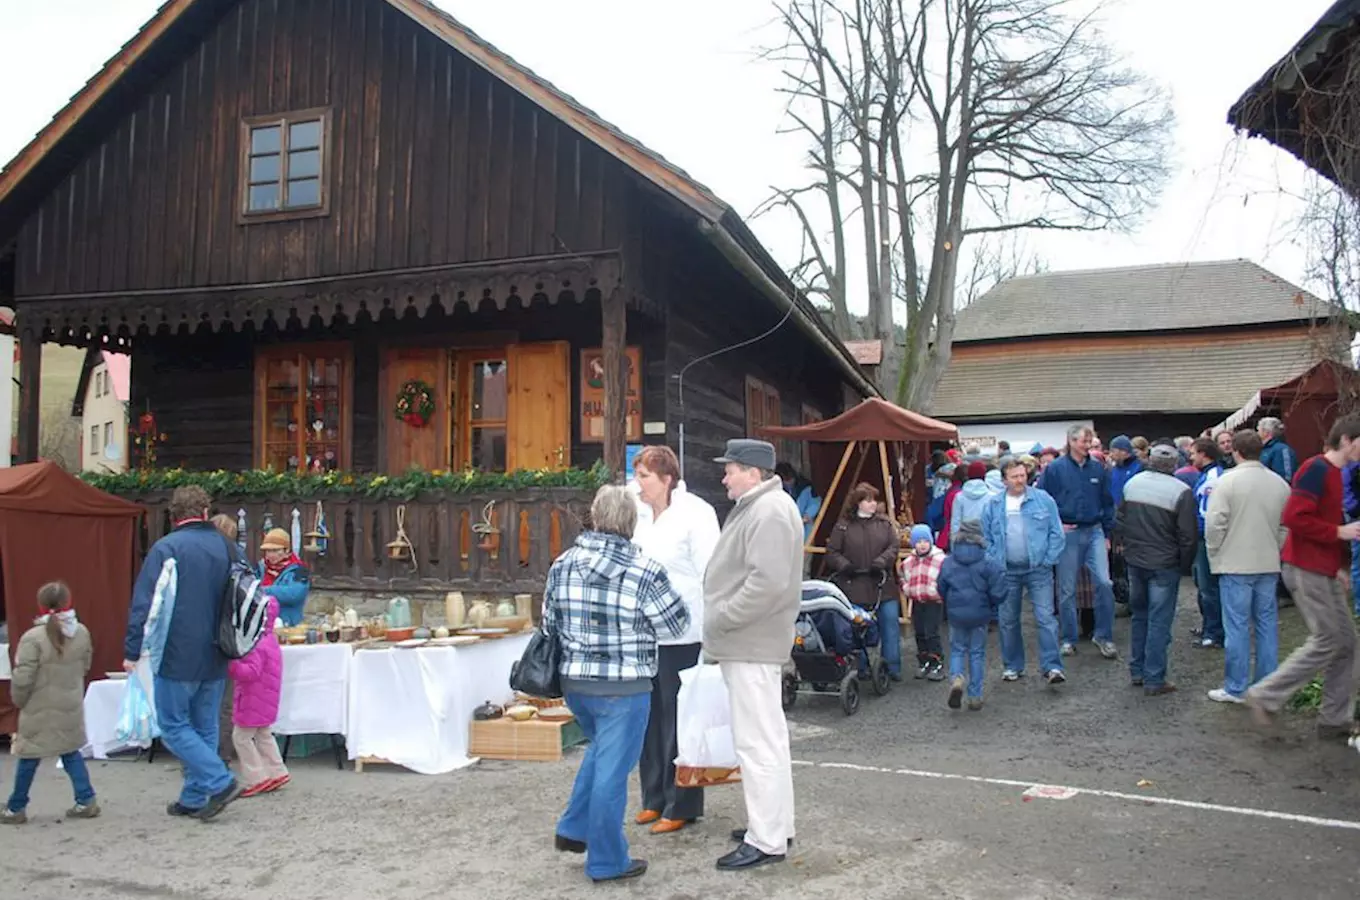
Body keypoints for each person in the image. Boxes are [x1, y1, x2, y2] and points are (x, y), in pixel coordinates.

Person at [543, 485, 689, 884]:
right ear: (632, 523)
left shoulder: (563, 564)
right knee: (612, 771)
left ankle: (574, 827)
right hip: (625, 689)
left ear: (594, 516)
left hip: (575, 684)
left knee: (602, 753)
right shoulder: (645, 570)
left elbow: (548, 624)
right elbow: (678, 624)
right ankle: (607, 861)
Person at [703, 439, 803, 871]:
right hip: (752, 641)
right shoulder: (766, 506)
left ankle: (766, 839)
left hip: (749, 640)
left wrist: (723, 617)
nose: (724, 476)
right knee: (769, 740)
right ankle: (775, 826)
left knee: (756, 742)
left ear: (753, 472)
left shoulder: (768, 510)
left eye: (731, 469)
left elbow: (767, 583)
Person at [123, 485, 242, 820]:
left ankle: (218, 781)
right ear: (205, 513)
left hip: (178, 651)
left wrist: (132, 649)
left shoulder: (167, 548)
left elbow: (145, 604)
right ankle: (193, 796)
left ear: (175, 515)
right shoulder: (229, 548)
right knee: (204, 726)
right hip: (219, 648)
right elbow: (248, 594)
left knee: (174, 725)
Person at [1245, 416, 1360, 740]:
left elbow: (1321, 521)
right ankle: (1265, 695)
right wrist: (1338, 532)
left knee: (1348, 643)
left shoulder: (1336, 474)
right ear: (1349, 439)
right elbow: (1294, 516)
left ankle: (1334, 719)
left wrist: (1336, 566)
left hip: (1320, 567)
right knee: (1328, 639)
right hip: (1304, 567)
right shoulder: (1316, 469)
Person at [630, 446, 720, 835]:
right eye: (636, 475)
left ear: (667, 479)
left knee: (679, 719)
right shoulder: (637, 514)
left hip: (683, 632)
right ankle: (652, 797)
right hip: (643, 633)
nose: (638, 483)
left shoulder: (695, 514)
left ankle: (681, 803)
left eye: (645, 476)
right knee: (648, 718)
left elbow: (711, 572)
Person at [2, 582, 99, 825]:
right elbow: (85, 666)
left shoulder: (32, 638)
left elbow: (23, 677)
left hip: (38, 706)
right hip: (69, 703)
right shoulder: (82, 632)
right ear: (69, 602)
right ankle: (86, 800)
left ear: (41, 605)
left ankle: (16, 807)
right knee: (70, 751)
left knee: (29, 756)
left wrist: (19, 701)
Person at [1204, 430, 1289, 704]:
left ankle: (1236, 687)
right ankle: (1266, 686)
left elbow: (1215, 523)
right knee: (1266, 625)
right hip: (1267, 561)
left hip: (1235, 562)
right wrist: (1274, 547)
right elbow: (1285, 527)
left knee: (1237, 626)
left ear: (1236, 451)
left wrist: (1214, 551)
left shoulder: (1227, 482)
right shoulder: (1279, 484)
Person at [1116, 445, 1198, 696]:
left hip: (1136, 559)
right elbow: (1188, 535)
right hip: (1164, 563)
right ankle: (1154, 678)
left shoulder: (1133, 484)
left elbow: (1120, 520)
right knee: (1159, 621)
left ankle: (1138, 671)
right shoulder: (1181, 492)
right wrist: (1184, 565)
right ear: (1174, 465)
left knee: (1140, 616)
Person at [981, 457, 1067, 685]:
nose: (1020, 480)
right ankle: (1012, 666)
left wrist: (1048, 560)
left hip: (1038, 570)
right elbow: (985, 537)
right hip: (1006, 571)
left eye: (1022, 475)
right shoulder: (993, 505)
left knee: (1045, 618)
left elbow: (1056, 533)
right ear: (1004, 480)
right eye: (1015, 477)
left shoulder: (1043, 500)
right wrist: (994, 561)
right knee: (1008, 620)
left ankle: (1052, 667)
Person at [1038, 424, 1118, 659]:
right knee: (1066, 589)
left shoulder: (1098, 469)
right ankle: (1069, 639)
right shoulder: (1054, 469)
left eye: (1090, 441)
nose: (1088, 445)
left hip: (1094, 530)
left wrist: (1106, 532)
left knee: (1104, 583)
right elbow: (1042, 500)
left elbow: (1107, 502)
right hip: (1069, 533)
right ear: (1072, 442)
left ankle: (1103, 636)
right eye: (1084, 441)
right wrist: (1056, 526)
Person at [825, 482, 903, 679]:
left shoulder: (884, 524)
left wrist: (881, 562)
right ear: (858, 503)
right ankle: (861, 668)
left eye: (874, 500)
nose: (873, 504)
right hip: (853, 585)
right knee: (856, 628)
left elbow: (894, 547)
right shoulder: (843, 526)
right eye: (868, 500)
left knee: (890, 624)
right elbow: (832, 552)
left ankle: (892, 668)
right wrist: (845, 566)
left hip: (881, 584)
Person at [936, 521, 1004, 711]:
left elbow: (941, 586)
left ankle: (957, 678)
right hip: (980, 614)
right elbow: (998, 590)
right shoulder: (988, 562)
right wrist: (992, 606)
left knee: (957, 649)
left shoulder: (948, 561)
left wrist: (949, 603)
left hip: (956, 614)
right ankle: (975, 695)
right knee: (976, 653)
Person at [227, 597, 289, 796]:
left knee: (241, 738)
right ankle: (277, 771)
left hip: (251, 698)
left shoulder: (253, 643)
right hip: (266, 697)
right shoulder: (270, 639)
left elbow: (251, 672)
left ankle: (256, 778)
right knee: (263, 734)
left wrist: (231, 665)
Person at [1189, 438, 1227, 649]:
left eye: (1194, 453)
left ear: (1204, 454)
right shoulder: (1207, 475)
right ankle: (1209, 627)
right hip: (1204, 537)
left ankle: (1215, 632)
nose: (1191, 457)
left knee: (1209, 587)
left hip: (1207, 538)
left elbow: (1207, 512)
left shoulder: (1212, 477)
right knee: (1205, 586)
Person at [900, 524, 946, 680]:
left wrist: (940, 591)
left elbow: (946, 578)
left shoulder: (940, 559)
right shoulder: (909, 561)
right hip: (917, 600)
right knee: (919, 632)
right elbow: (902, 577)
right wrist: (907, 589)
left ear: (931, 541)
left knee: (931, 632)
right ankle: (923, 661)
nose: (922, 544)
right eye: (918, 541)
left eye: (925, 541)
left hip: (934, 601)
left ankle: (937, 663)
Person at [257, 529, 311, 627]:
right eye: (268, 551)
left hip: (289, 625)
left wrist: (263, 590)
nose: (271, 555)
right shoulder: (260, 568)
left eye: (275, 550)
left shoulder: (298, 571)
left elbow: (294, 594)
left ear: (287, 551)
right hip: (263, 626)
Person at [950, 461, 992, 544]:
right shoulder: (992, 497)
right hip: (985, 541)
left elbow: (955, 522)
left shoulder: (959, 497)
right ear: (984, 475)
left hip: (964, 541)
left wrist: (954, 543)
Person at [1258, 417, 1297, 484]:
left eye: (1258, 430)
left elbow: (1287, 476)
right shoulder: (1262, 449)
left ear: (1266, 432)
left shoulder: (1282, 449)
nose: (1257, 433)